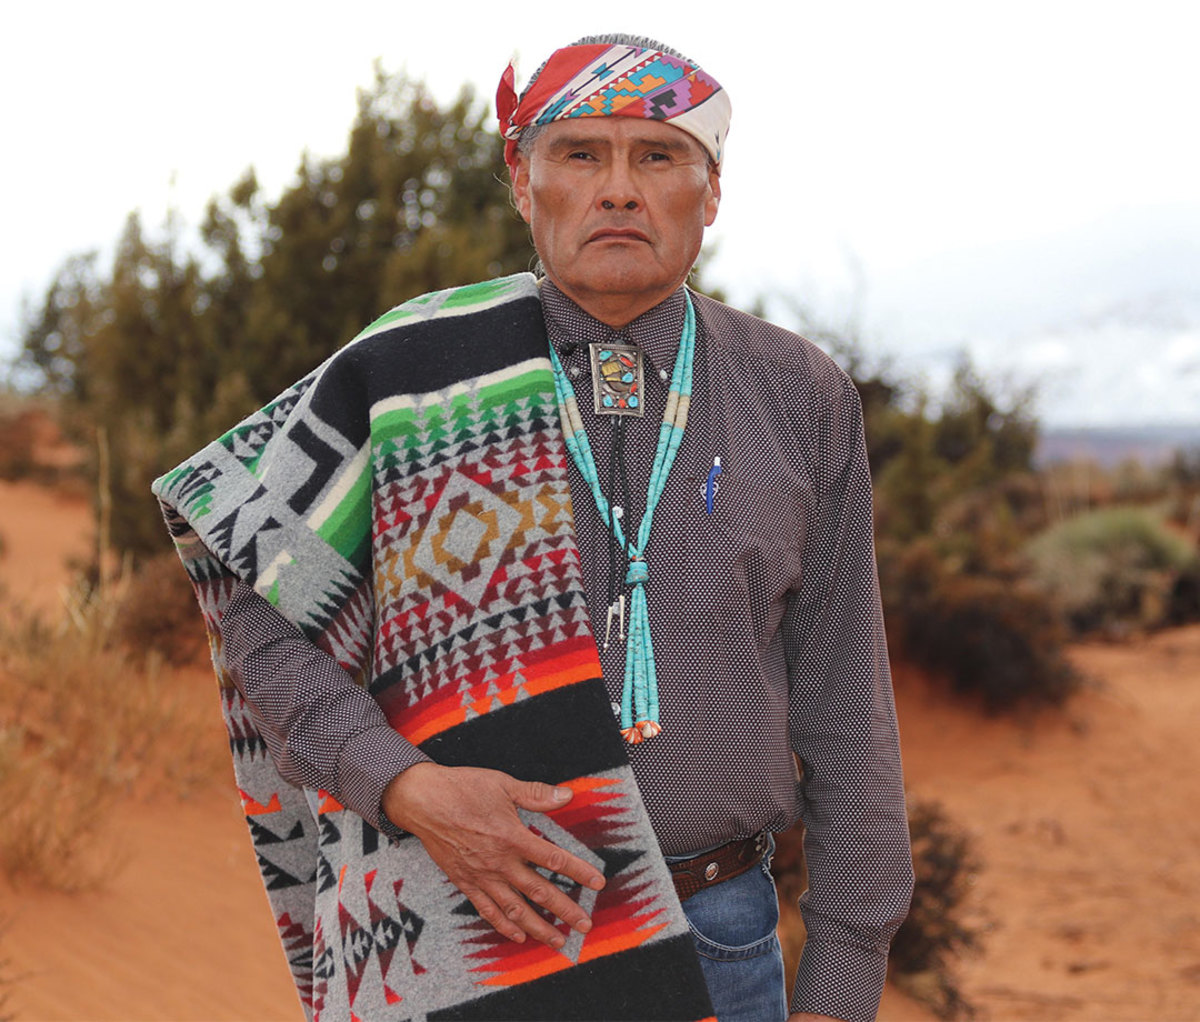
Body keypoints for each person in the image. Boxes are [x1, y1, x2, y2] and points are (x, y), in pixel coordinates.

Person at [155, 34, 912, 1022]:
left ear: (711, 189)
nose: (619, 190)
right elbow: (261, 616)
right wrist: (405, 785)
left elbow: (846, 713)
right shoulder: (403, 374)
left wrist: (844, 983)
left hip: (717, 941)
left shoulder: (799, 393)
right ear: (524, 180)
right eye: (580, 154)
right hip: (458, 937)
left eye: (657, 155)